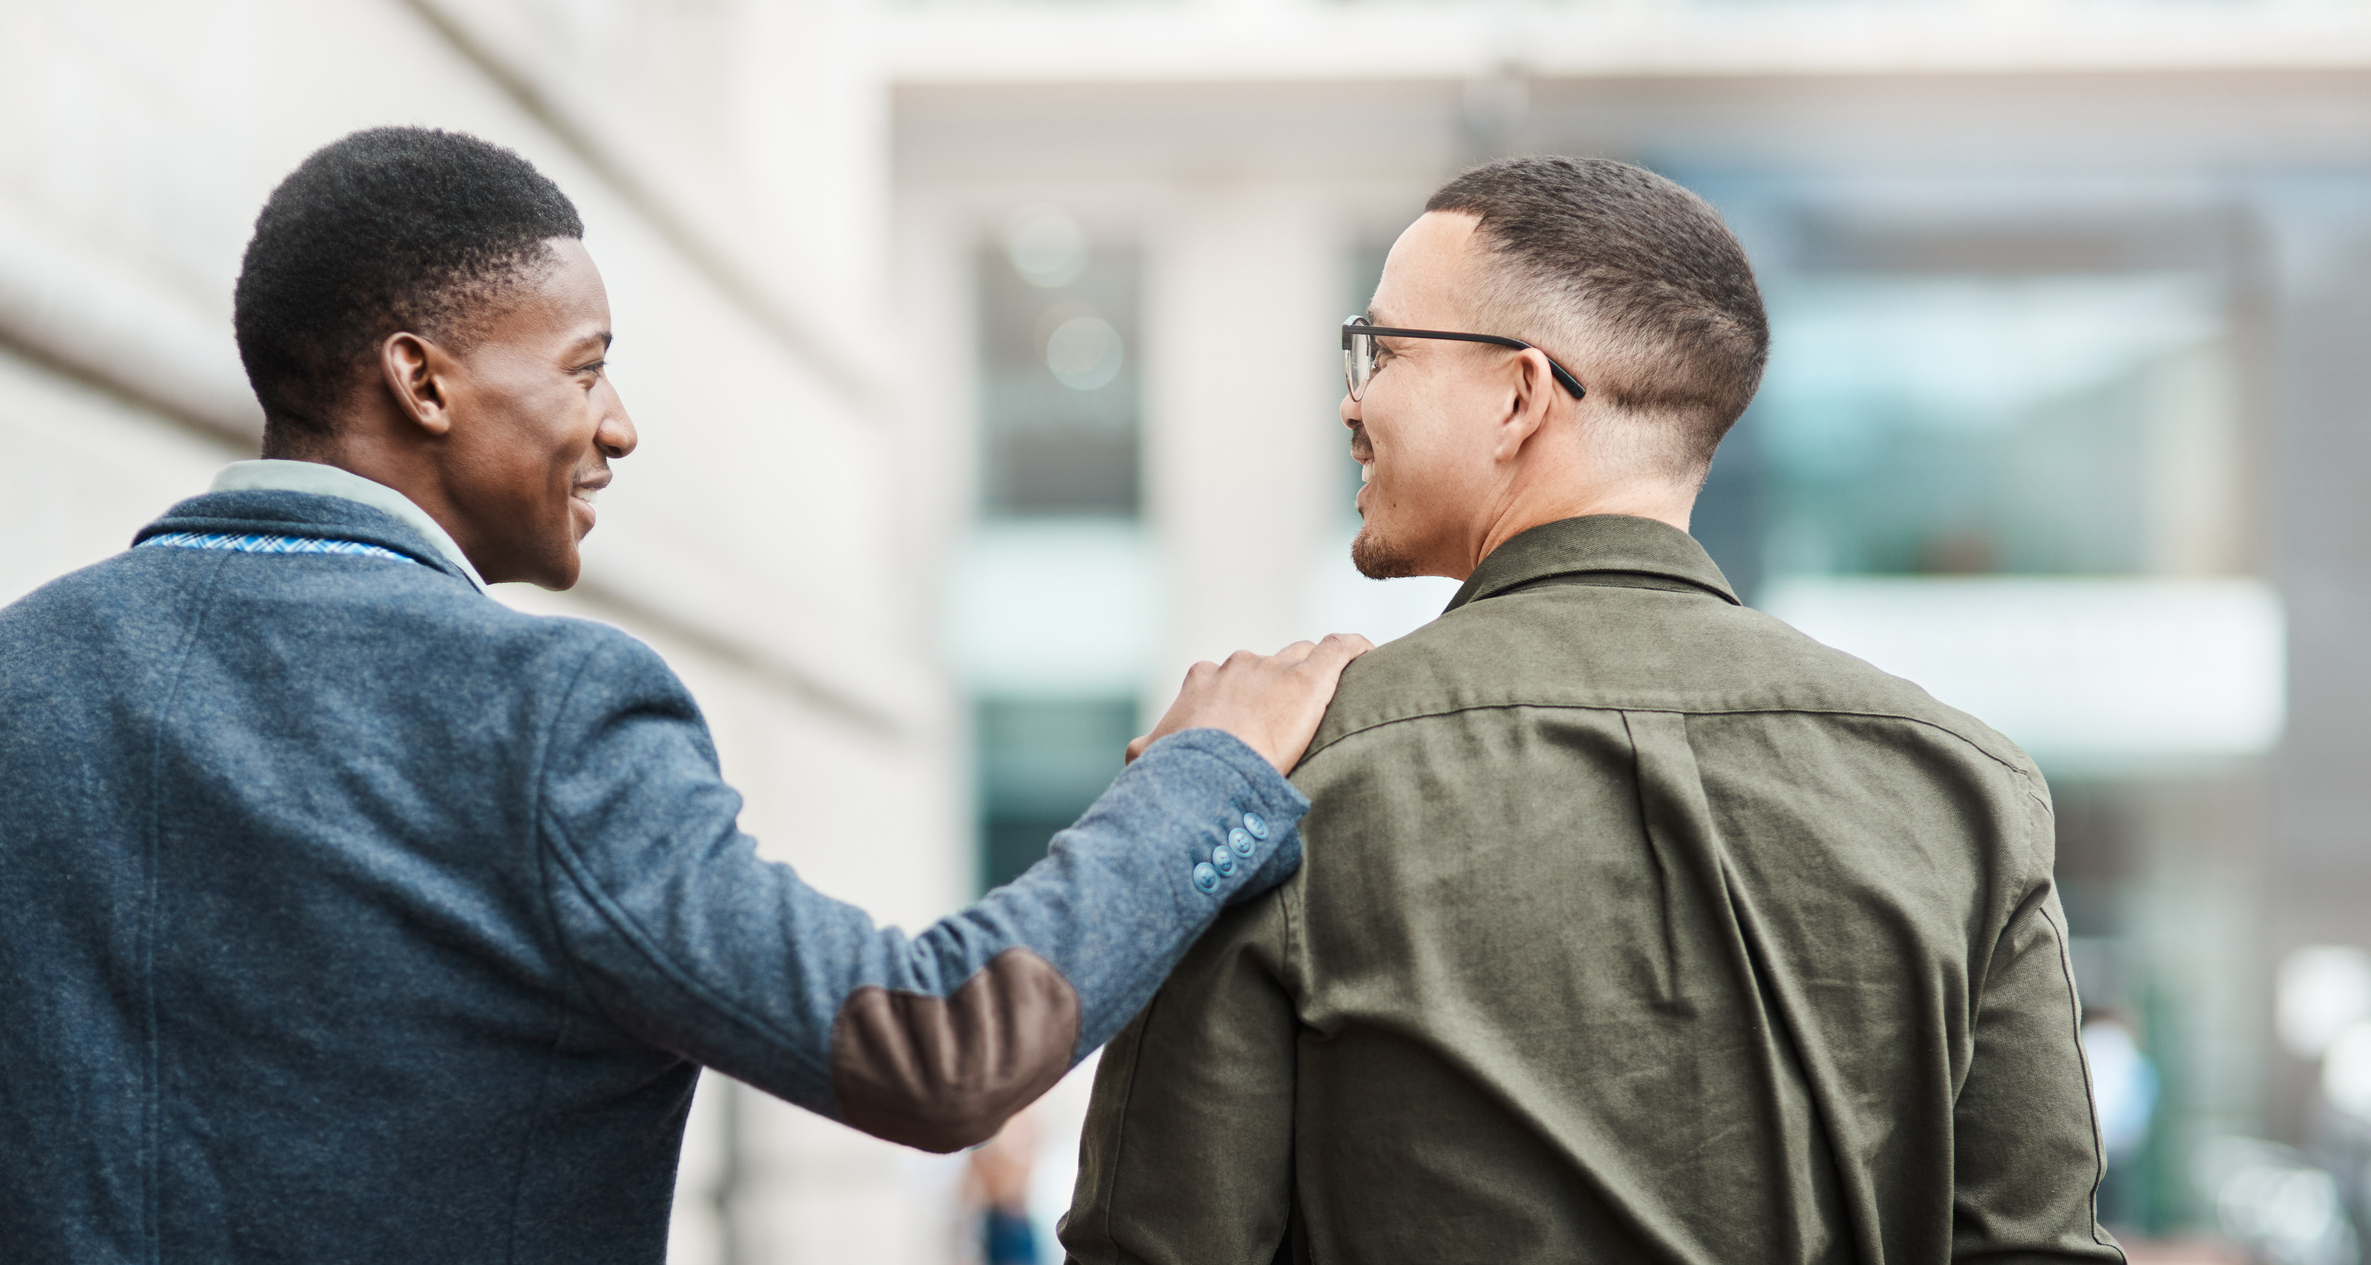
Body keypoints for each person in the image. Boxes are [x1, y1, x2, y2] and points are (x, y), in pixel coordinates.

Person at [0, 127, 1369, 1265]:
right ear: (419, 381)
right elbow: (934, 1041)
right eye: (584, 366)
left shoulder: (27, 670)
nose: (619, 424)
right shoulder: (546, 716)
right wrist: (1206, 770)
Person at [1060, 156, 2120, 1264]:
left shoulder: (1274, 774)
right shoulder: (1964, 791)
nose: (1351, 398)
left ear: (1520, 395)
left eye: (1379, 348)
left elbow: (1156, 1242)